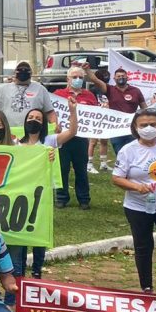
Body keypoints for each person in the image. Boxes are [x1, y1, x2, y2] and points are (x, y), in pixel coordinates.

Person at [10, 102, 79, 304]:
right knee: (21, 238)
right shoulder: (15, 144)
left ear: (43, 124)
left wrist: (72, 111)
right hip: (20, 198)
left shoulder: (49, 141)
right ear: (25, 122)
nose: (34, 121)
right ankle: (20, 277)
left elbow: (72, 132)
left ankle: (37, 275)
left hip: (42, 197)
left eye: (38, 119)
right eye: (31, 118)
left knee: (39, 238)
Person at [112, 109, 156, 295]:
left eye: (153, 124)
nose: (148, 128)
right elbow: (117, 178)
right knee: (144, 246)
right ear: (135, 128)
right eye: (143, 125)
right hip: (138, 206)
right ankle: (146, 287)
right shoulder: (128, 150)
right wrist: (137, 187)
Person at [52, 66, 98, 210]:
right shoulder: (58, 94)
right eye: (74, 77)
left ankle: (84, 199)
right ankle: (61, 197)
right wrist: (55, 124)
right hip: (63, 138)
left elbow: (95, 115)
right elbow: (52, 113)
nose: (78, 80)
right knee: (62, 169)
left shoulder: (89, 96)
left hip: (80, 138)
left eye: (80, 77)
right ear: (68, 79)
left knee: (81, 169)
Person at [85, 64, 146, 154]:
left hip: (132, 127)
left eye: (123, 76)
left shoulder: (136, 91)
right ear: (114, 78)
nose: (121, 78)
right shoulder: (110, 89)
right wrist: (87, 69)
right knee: (120, 152)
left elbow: (144, 108)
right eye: (118, 76)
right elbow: (95, 80)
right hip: (116, 128)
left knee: (134, 152)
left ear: (127, 78)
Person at [0, 61, 55, 127]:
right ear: (15, 73)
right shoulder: (2, 88)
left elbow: (50, 112)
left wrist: (55, 125)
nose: (23, 72)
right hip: (8, 133)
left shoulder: (40, 89)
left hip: (33, 133)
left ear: (31, 73)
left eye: (26, 70)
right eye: (20, 70)